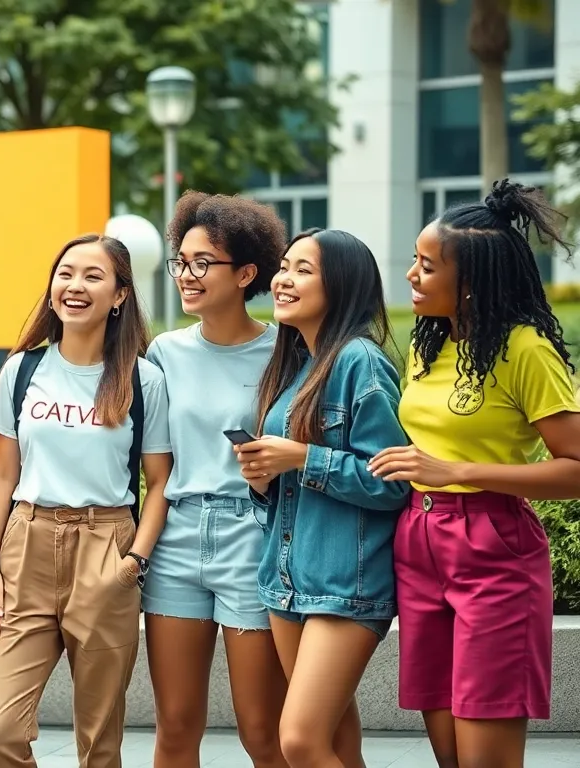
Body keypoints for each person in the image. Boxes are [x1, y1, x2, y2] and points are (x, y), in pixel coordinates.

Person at [369, 180, 580, 768]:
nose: (411, 274)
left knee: (484, 754)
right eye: (415, 260)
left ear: (472, 280)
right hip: (418, 543)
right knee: (449, 752)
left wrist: (455, 470)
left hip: (494, 548)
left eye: (427, 265)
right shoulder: (428, 345)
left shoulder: (526, 350)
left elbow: (575, 469)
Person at [0, 233, 173, 767]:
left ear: (120, 295)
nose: (75, 285)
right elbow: (2, 475)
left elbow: (159, 481)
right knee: (1, 734)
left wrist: (134, 562)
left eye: (92, 276)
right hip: (26, 546)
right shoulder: (23, 370)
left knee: (100, 743)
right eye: (65, 273)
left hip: (106, 546)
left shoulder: (143, 379)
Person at [236, 228, 410, 768]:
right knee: (335, 742)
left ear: (341, 283)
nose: (283, 279)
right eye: (284, 267)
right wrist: (262, 480)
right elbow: (284, 488)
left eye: (303, 270)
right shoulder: (295, 366)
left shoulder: (361, 362)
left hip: (344, 585)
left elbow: (393, 482)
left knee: (300, 741)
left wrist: (303, 458)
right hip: (287, 580)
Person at [142, 191, 289, 767]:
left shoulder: (285, 351)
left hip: (252, 537)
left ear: (247, 273)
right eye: (181, 262)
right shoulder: (164, 353)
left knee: (262, 730)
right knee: (176, 726)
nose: (186, 275)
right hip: (177, 538)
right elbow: (152, 458)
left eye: (203, 263)